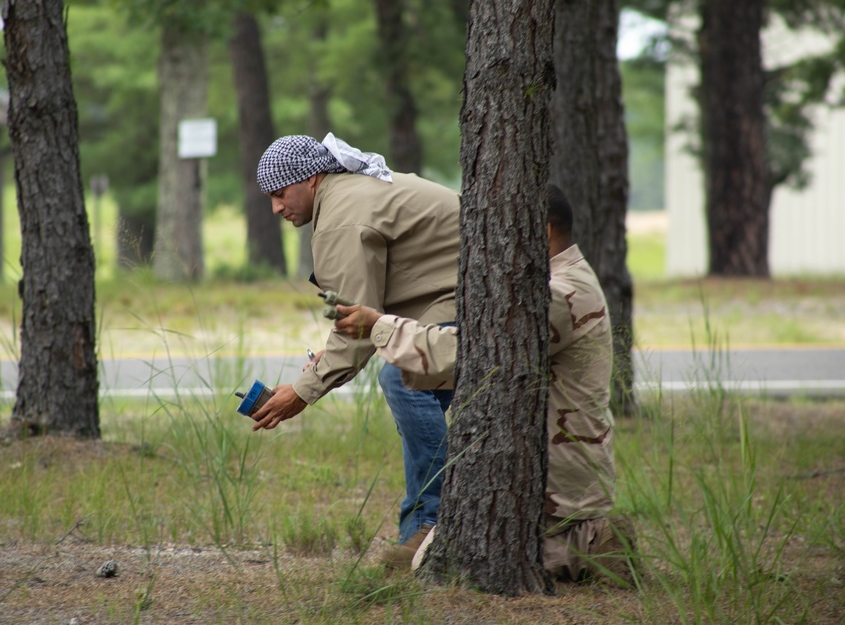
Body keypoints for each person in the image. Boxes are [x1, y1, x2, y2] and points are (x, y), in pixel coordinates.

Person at [333, 184, 635, 583]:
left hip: (558, 491)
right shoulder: (555, 283)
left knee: (440, 559)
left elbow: (476, 354)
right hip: (545, 480)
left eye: (504, 229)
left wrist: (380, 326)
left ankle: (591, 545)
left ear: (540, 232)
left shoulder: (560, 294)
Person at [250, 133, 461, 567]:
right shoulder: (348, 195)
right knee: (405, 375)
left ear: (310, 180)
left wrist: (303, 391)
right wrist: (325, 366)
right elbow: (366, 320)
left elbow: (358, 329)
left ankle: (436, 524)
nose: (275, 208)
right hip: (463, 297)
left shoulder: (341, 217)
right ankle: (427, 531)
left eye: (280, 193)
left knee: (404, 377)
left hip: (481, 301)